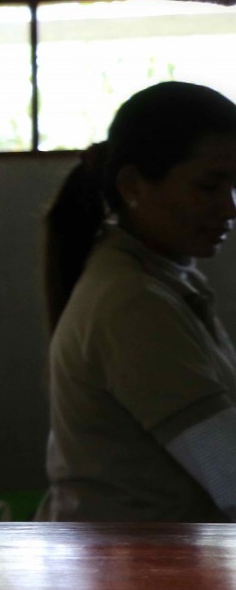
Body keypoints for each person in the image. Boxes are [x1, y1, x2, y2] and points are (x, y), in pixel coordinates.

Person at [38, 81, 236, 523]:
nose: (230, 206)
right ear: (132, 185)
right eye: (209, 185)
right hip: (128, 579)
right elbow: (230, 475)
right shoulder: (133, 303)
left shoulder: (163, 280)